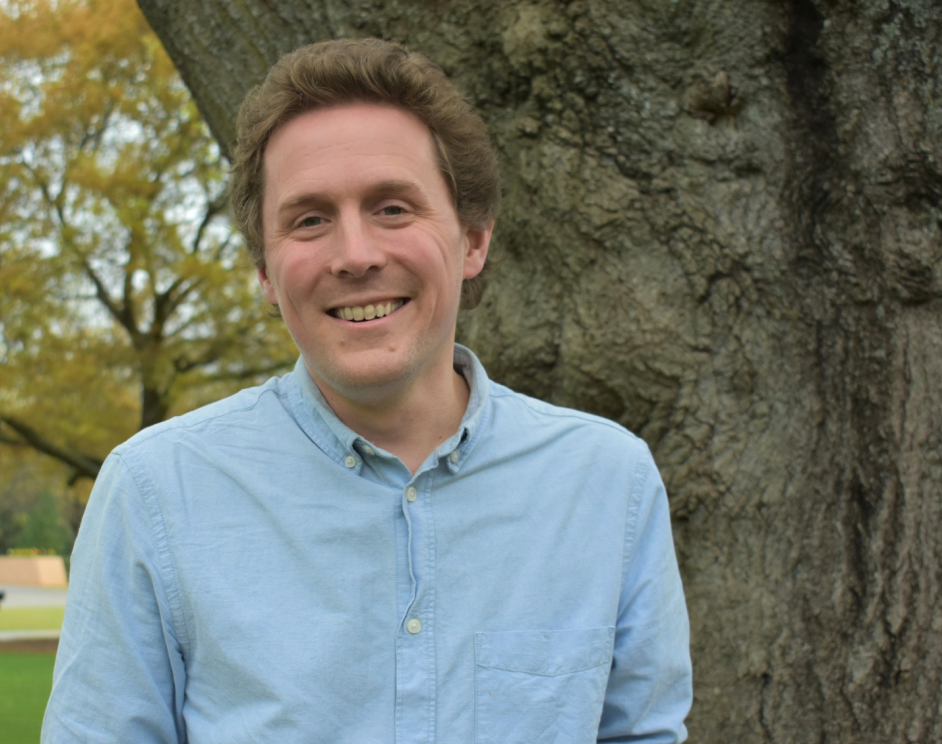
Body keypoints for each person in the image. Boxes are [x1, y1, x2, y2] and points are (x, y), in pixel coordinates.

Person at [42, 38, 691, 743]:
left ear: (473, 241)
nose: (355, 256)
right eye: (310, 219)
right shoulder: (154, 494)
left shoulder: (606, 484)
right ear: (264, 270)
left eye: (392, 208)